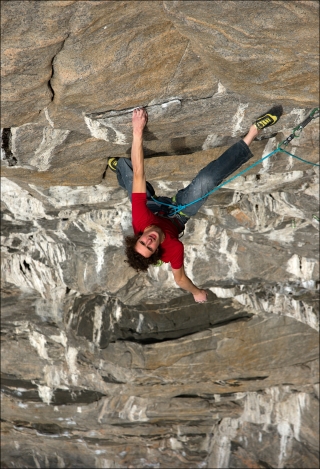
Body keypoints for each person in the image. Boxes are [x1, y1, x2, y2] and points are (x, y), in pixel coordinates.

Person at [108, 105, 283, 303]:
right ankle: (253, 131)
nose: (149, 241)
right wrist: (196, 292)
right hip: (178, 214)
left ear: (139, 237)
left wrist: (137, 130)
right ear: (156, 251)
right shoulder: (172, 249)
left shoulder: (141, 219)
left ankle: (120, 170)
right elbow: (180, 279)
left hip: (153, 207)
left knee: (128, 169)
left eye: (142, 242)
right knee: (207, 181)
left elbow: (140, 173)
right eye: (149, 247)